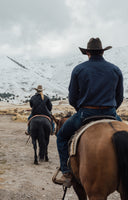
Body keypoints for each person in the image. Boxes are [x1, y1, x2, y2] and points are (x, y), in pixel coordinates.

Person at [56, 37, 124, 185]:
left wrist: (80, 109)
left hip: (86, 113)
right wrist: (111, 109)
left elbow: (72, 98)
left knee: (61, 136)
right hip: (111, 113)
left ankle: (67, 173)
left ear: (87, 52)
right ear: (102, 52)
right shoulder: (115, 69)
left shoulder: (79, 69)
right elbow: (119, 97)